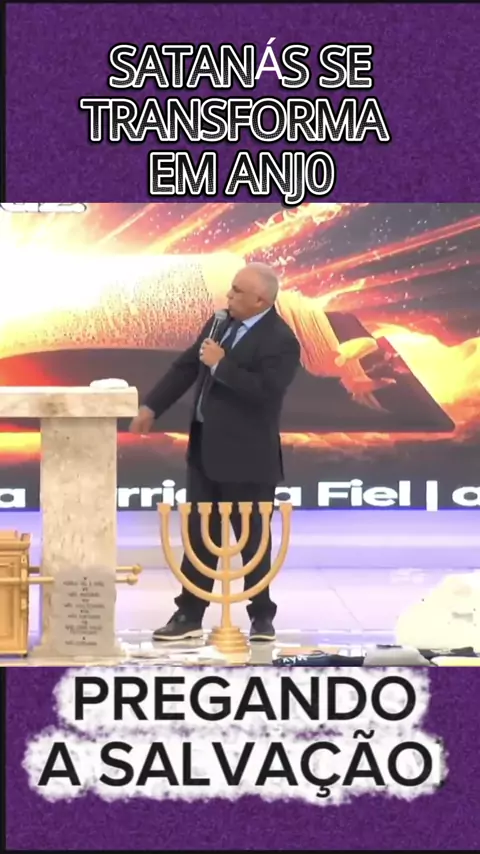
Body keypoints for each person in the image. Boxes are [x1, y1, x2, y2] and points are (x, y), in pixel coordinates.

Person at [130, 262, 301, 642]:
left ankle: (261, 616)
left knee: (252, 541)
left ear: (261, 300)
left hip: (248, 459)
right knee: (198, 537)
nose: (229, 296)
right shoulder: (219, 323)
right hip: (205, 452)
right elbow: (186, 368)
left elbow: (266, 392)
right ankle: (189, 615)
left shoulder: (281, 340)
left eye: (237, 291)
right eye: (231, 289)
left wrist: (222, 366)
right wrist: (152, 407)